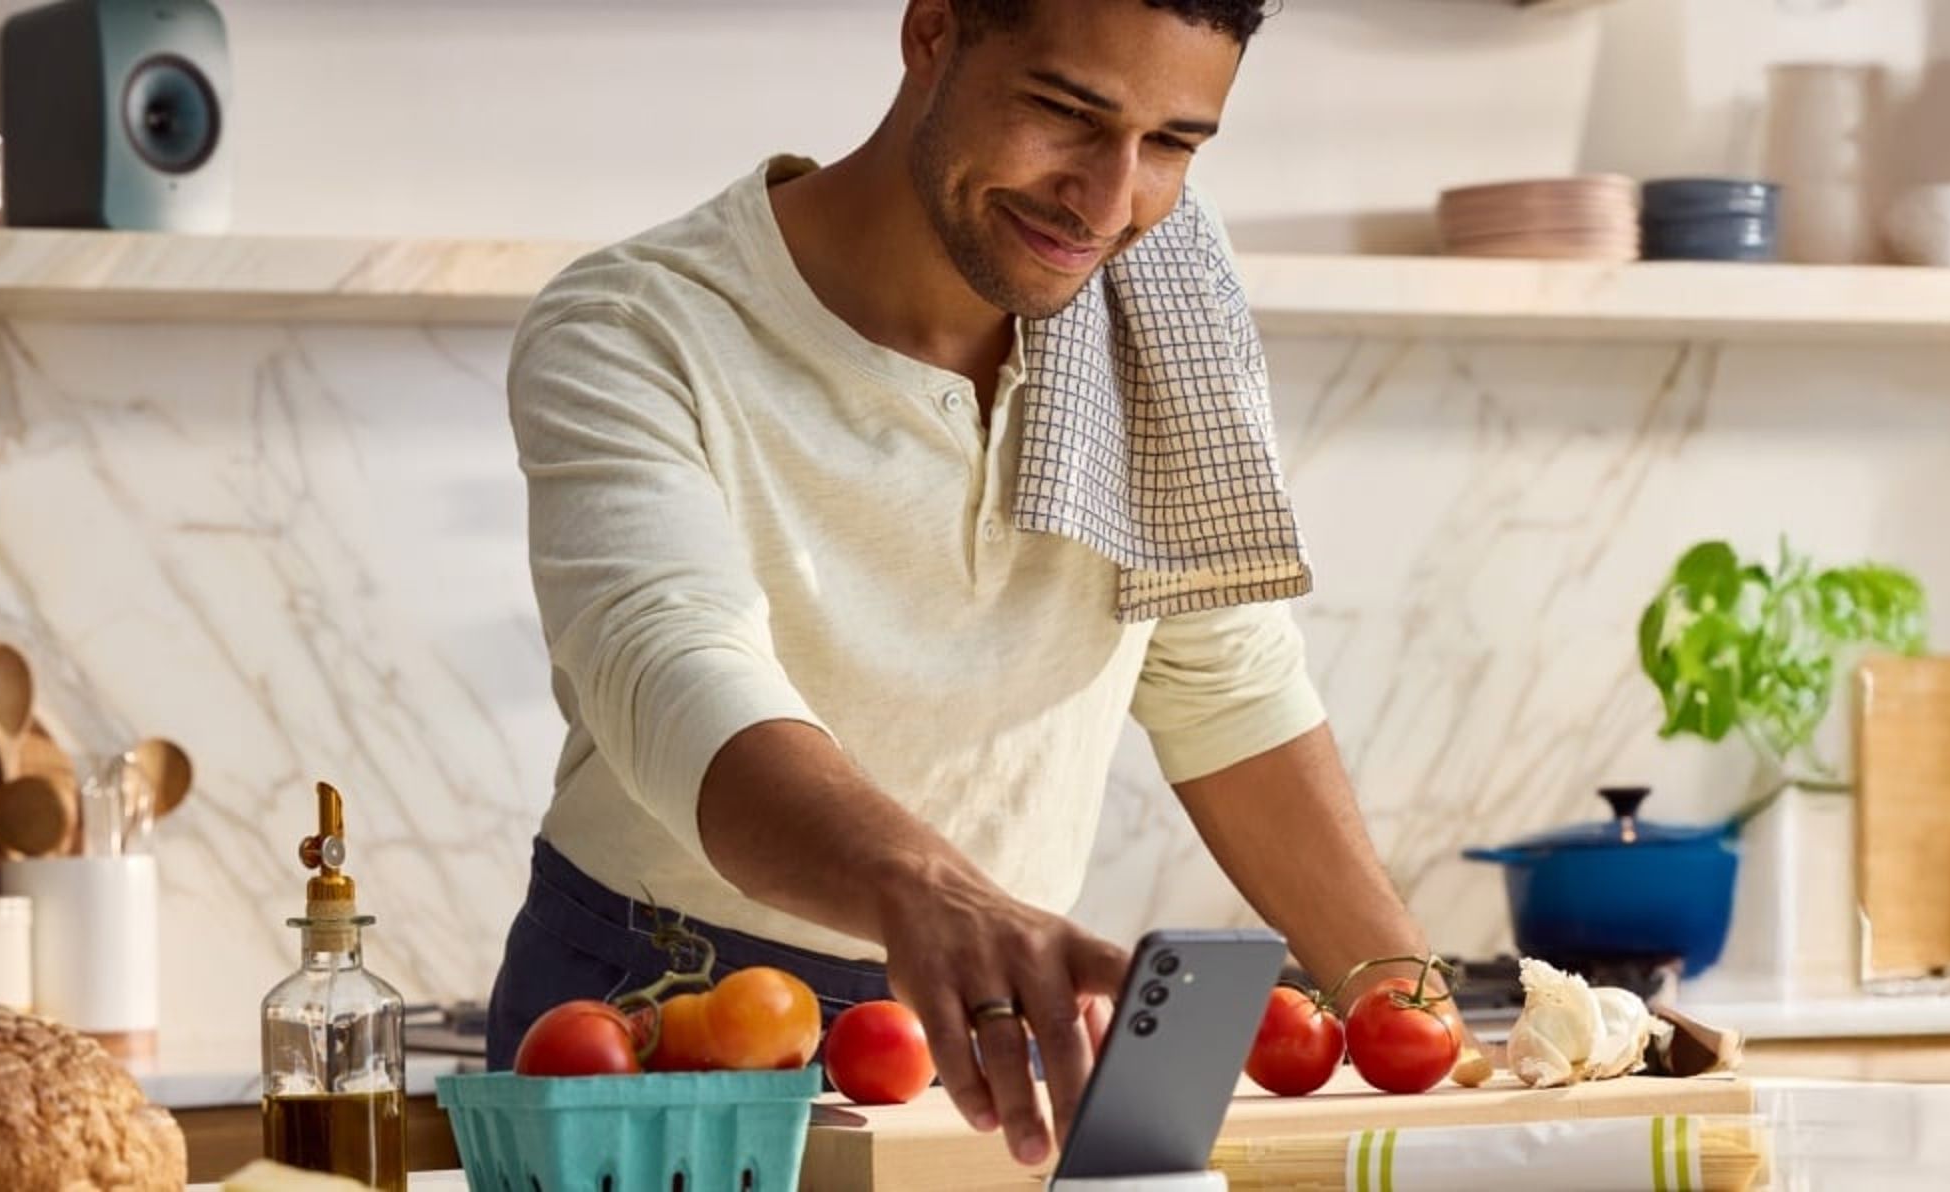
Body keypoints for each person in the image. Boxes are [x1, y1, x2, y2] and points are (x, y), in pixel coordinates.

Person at [485, 0, 1438, 1166]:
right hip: (660, 1009)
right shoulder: (640, 325)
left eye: (1173, 144)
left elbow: (1223, 684)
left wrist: (1411, 1005)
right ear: (931, 33)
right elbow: (672, 667)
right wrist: (930, 892)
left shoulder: (1164, 291)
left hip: (994, 1026)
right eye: (1063, 112)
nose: (1106, 198)